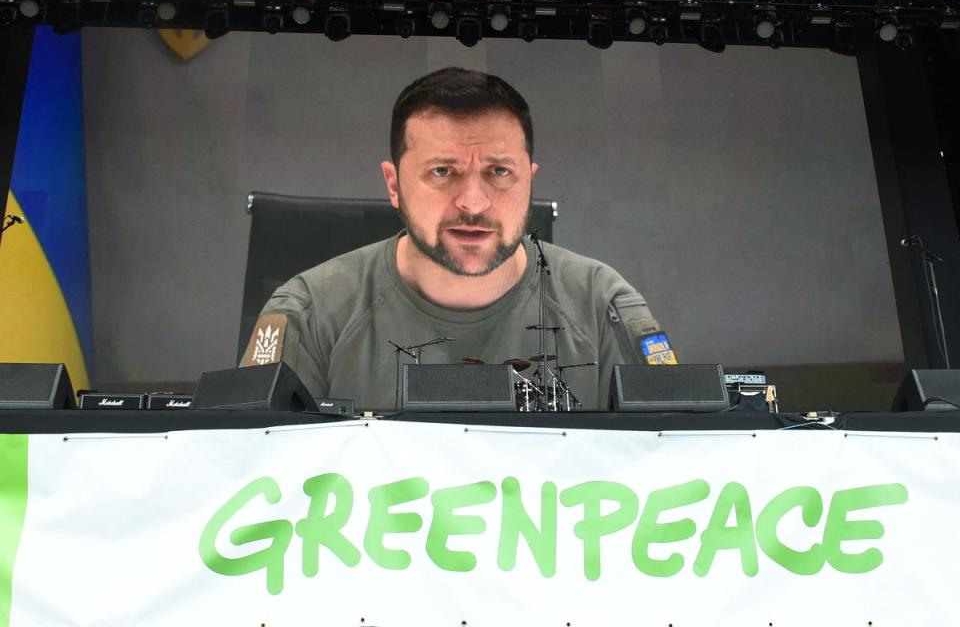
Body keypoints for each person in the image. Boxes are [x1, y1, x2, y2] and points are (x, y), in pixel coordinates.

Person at [248, 67, 674, 411]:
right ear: (394, 184)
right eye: (442, 172)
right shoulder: (310, 312)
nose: (473, 203)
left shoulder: (603, 306)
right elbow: (257, 480)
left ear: (530, 180)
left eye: (499, 172)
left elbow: (673, 464)